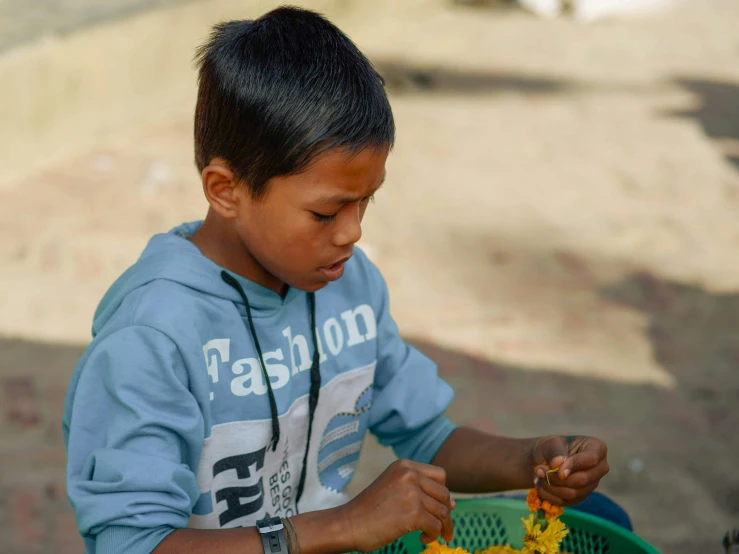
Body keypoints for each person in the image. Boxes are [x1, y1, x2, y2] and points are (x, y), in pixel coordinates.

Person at [62, 7, 614, 554]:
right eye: (326, 213)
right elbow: (131, 544)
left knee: (600, 515)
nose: (352, 233)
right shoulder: (152, 337)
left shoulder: (348, 285)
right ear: (225, 189)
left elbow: (427, 436)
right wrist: (344, 526)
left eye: (366, 202)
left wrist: (532, 460)